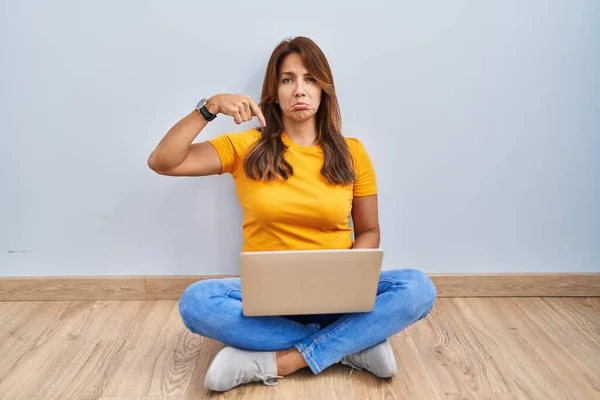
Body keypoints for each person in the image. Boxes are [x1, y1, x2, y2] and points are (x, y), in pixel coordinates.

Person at [147, 36, 436, 392]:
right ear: (274, 91)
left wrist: (349, 276)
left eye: (310, 78)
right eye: (288, 79)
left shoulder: (353, 153)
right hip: (266, 299)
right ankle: (352, 346)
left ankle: (274, 360)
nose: (299, 90)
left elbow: (369, 230)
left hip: (337, 296)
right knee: (197, 303)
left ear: (324, 89)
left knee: (418, 287)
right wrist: (210, 107)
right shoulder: (244, 146)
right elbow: (162, 161)